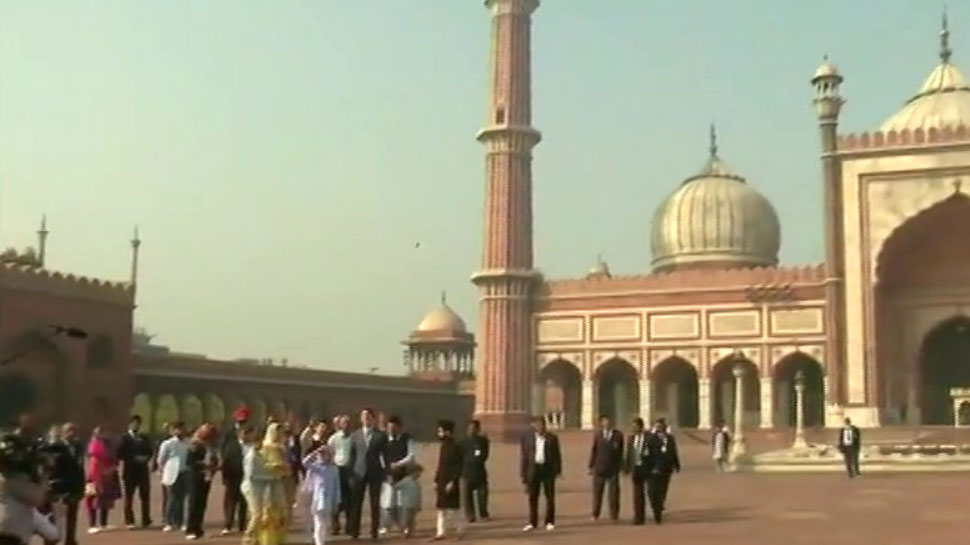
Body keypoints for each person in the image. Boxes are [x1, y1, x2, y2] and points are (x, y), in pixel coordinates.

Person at [347, 408, 387, 541]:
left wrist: (386, 472)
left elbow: (385, 456)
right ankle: (355, 531)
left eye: (369, 417)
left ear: (373, 419)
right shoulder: (355, 435)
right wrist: (350, 473)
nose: (366, 419)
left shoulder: (380, 436)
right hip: (358, 473)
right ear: (360, 419)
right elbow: (351, 456)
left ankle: (374, 531)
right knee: (356, 503)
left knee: (375, 503)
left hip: (375, 472)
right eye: (364, 416)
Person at [45, 422, 85, 545]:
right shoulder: (56, 447)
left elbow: (80, 468)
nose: (71, 434)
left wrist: (81, 487)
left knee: (72, 518)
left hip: (74, 487)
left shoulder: (78, 447)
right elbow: (52, 469)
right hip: (59, 489)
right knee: (55, 518)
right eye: (69, 431)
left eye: (74, 431)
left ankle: (70, 540)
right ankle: (50, 541)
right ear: (63, 433)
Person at [520, 416, 561, 532]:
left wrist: (558, 470)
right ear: (533, 425)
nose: (540, 427)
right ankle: (532, 522)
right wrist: (523, 475)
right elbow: (524, 457)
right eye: (537, 425)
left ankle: (549, 521)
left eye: (542, 425)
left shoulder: (552, 438)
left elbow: (557, 455)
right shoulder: (528, 438)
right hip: (533, 470)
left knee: (549, 497)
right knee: (533, 497)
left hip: (547, 470)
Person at [256, 422, 292, 545]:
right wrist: (274, 466)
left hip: (278, 482)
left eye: (280, 432)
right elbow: (260, 465)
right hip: (267, 482)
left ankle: (279, 538)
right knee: (268, 510)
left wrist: (285, 468)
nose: (279, 434)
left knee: (280, 510)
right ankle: (267, 539)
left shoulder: (282, 447)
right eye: (277, 432)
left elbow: (287, 465)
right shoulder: (265, 447)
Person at [117, 414, 153, 529]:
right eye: (133, 423)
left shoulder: (144, 437)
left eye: (137, 423)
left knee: (145, 496)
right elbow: (120, 453)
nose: (135, 425)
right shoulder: (124, 438)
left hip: (143, 470)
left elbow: (150, 450)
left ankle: (146, 519)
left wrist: (146, 457)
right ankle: (129, 520)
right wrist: (133, 458)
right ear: (129, 424)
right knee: (129, 497)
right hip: (130, 471)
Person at [184, 423, 219, 540]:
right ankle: (190, 528)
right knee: (194, 503)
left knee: (202, 504)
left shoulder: (210, 446)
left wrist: (214, 465)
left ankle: (198, 528)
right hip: (195, 477)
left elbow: (214, 459)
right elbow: (190, 462)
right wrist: (204, 464)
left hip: (206, 477)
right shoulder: (194, 444)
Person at [84, 426, 121, 534]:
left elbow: (114, 459)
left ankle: (103, 523)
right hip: (94, 476)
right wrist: (104, 470)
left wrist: (112, 468)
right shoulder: (94, 444)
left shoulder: (108, 444)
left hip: (107, 476)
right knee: (92, 499)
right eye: (100, 433)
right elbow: (95, 459)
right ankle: (92, 524)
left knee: (105, 499)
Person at [431, 419, 464, 541]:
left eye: (441, 431)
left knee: (454, 508)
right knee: (441, 508)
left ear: (448, 432)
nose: (439, 433)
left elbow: (459, 466)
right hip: (442, 480)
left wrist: (453, 481)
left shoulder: (456, 447)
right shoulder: (443, 446)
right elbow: (440, 464)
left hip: (451, 481)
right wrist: (436, 480)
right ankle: (440, 532)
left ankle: (459, 530)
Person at [302, 445, 341, 545]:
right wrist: (314, 452)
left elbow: (337, 486)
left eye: (325, 454)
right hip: (317, 498)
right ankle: (319, 541)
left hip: (329, 498)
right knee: (318, 521)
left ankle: (320, 539)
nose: (323, 456)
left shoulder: (333, 468)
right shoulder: (316, 466)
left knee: (325, 522)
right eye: (322, 454)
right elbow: (305, 462)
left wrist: (337, 500)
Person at [643, 419, 680, 524]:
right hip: (653, 469)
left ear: (665, 427)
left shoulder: (670, 438)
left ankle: (658, 508)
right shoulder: (651, 439)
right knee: (652, 491)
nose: (659, 428)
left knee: (663, 489)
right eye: (657, 426)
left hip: (666, 468)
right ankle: (656, 506)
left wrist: (676, 465)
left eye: (661, 426)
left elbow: (673, 452)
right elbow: (647, 454)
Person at [588, 415, 623, 522]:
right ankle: (595, 514)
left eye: (609, 422)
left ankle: (614, 515)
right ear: (601, 423)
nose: (607, 424)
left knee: (614, 494)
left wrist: (621, 466)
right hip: (599, 467)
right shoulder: (598, 435)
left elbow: (621, 452)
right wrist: (591, 466)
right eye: (604, 422)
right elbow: (594, 450)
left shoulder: (618, 435)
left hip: (613, 468)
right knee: (597, 493)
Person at [157, 421, 189, 532]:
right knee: (172, 498)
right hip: (171, 473)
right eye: (178, 429)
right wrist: (162, 472)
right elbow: (161, 460)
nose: (180, 431)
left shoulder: (188, 443)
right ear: (173, 431)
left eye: (182, 429)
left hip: (184, 472)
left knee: (181, 499)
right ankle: (168, 522)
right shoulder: (167, 444)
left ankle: (180, 522)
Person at [221, 419, 251, 537]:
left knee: (244, 502)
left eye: (248, 434)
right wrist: (225, 477)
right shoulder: (231, 446)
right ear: (239, 434)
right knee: (231, 501)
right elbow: (226, 462)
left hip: (247, 477)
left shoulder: (251, 447)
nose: (246, 436)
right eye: (244, 433)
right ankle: (228, 524)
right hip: (233, 476)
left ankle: (242, 525)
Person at [459, 419, 490, 523]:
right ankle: (470, 515)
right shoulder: (462, 443)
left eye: (473, 429)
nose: (471, 431)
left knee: (483, 494)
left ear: (478, 429)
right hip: (466, 472)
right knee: (467, 496)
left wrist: (476, 459)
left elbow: (485, 456)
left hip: (479, 471)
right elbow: (459, 457)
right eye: (469, 428)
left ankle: (483, 513)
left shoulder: (483, 441)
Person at [326, 415, 352, 535]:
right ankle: (335, 526)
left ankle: (350, 526)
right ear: (340, 425)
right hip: (337, 470)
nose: (346, 425)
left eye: (348, 423)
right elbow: (328, 453)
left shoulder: (354, 438)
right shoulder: (334, 438)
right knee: (336, 498)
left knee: (350, 499)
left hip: (351, 471)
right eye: (344, 423)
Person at [624, 417, 649, 525]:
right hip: (636, 469)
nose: (634, 428)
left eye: (636, 426)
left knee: (651, 493)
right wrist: (626, 468)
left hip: (647, 468)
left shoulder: (649, 438)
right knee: (637, 494)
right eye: (633, 426)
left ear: (641, 427)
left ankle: (657, 509)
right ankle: (638, 516)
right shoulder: (631, 438)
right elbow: (629, 454)